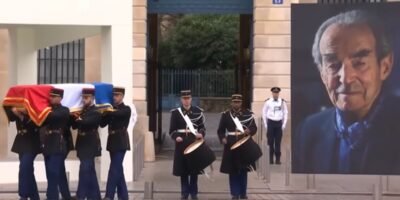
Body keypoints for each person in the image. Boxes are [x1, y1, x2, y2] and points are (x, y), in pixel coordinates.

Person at [294, 9, 400, 174]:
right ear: (322, 73)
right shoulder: (308, 130)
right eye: (333, 65)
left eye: (359, 63)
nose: (346, 78)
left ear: (385, 67)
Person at [217, 94, 258, 200]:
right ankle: (234, 193)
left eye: (238, 102)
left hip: (244, 144)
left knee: (244, 170)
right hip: (231, 144)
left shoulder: (247, 114)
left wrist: (249, 131)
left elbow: (254, 127)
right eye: (234, 102)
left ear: (241, 102)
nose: (236, 104)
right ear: (231, 102)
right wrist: (222, 138)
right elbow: (220, 130)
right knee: (233, 170)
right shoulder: (226, 115)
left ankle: (243, 193)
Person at [169, 90, 206, 200]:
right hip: (182, 143)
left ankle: (194, 193)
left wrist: (201, 134)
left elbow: (202, 127)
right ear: (181, 99)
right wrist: (176, 137)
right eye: (184, 98)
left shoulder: (197, 112)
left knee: (194, 169)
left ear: (191, 99)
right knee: (183, 169)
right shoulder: (176, 113)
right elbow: (172, 130)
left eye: (188, 98)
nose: (186, 100)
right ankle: (184, 192)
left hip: (194, 141)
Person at [40, 88, 73, 200]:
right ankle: (66, 196)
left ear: (60, 98)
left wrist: (42, 111)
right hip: (48, 144)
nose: (51, 98)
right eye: (51, 96)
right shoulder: (47, 110)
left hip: (59, 144)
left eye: (54, 97)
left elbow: (53, 116)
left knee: (53, 172)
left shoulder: (64, 110)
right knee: (56, 172)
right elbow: (40, 122)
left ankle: (52, 197)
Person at [101, 87, 132, 200]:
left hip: (121, 141)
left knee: (114, 168)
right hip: (112, 141)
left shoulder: (126, 109)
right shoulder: (110, 110)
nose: (115, 97)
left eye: (117, 95)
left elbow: (119, 114)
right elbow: (102, 124)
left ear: (122, 96)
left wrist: (108, 110)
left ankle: (109, 195)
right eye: (113, 95)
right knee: (118, 169)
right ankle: (123, 196)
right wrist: (102, 112)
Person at [71, 88, 102, 199]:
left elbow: (86, 122)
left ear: (92, 98)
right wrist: (73, 116)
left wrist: (77, 117)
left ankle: (80, 195)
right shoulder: (82, 111)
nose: (84, 100)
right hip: (82, 143)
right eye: (83, 97)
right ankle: (95, 197)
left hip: (90, 143)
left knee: (84, 169)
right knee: (90, 171)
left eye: (87, 97)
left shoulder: (96, 111)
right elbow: (74, 126)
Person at [5, 106, 41, 200]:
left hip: (32, 140)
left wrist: (22, 114)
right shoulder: (19, 102)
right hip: (21, 140)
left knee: (24, 167)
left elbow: (36, 122)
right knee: (28, 169)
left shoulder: (35, 104)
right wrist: (13, 109)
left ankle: (23, 195)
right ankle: (35, 197)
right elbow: (11, 117)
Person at [262, 87, 288, 165]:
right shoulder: (268, 102)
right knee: (270, 142)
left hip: (278, 123)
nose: (275, 94)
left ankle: (277, 159)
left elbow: (285, 113)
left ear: (278, 93)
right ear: (272, 93)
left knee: (278, 142)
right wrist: (266, 124)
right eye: (274, 93)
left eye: (277, 93)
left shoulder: (282, 102)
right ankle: (270, 159)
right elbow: (264, 113)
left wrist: (284, 124)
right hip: (270, 123)